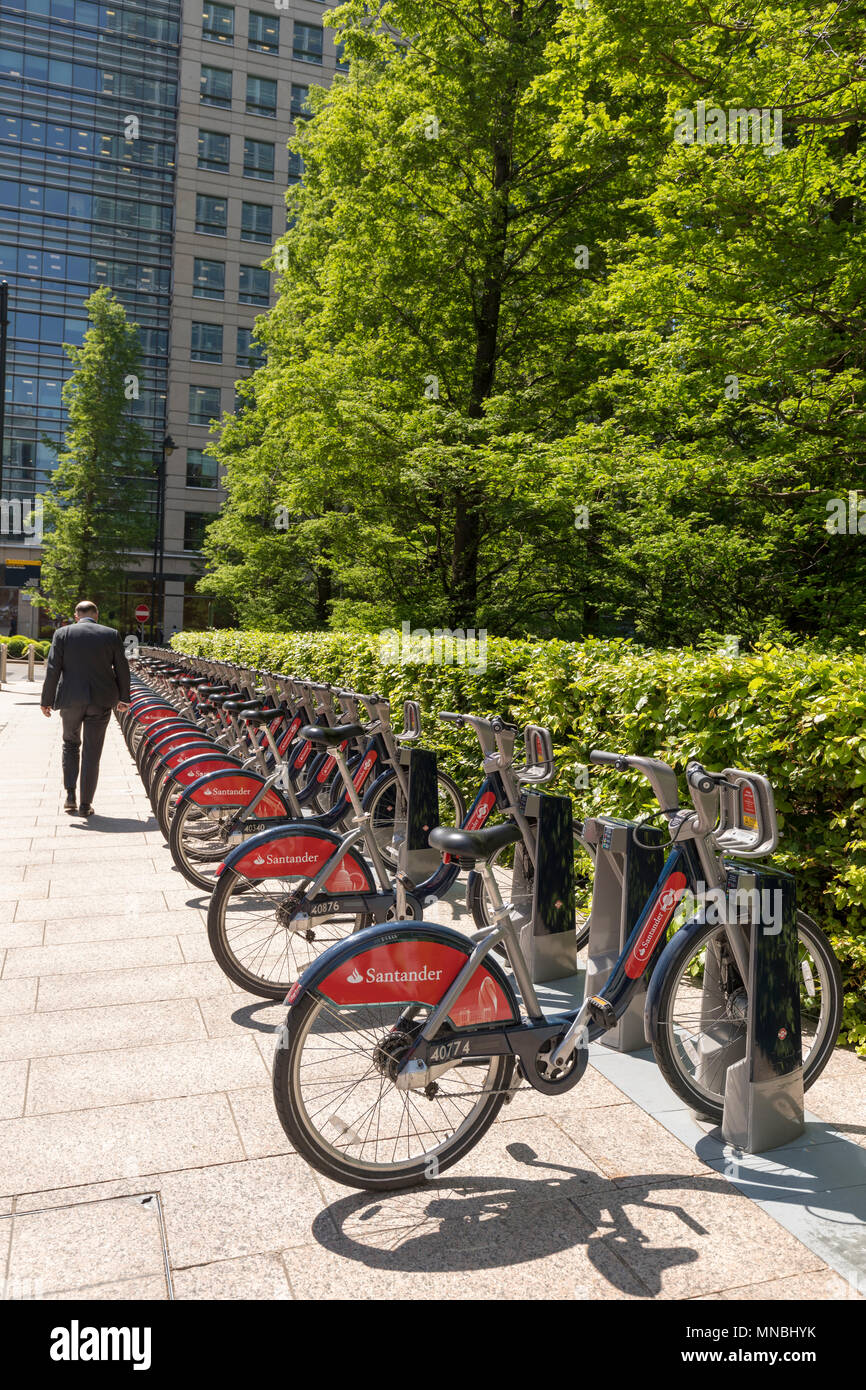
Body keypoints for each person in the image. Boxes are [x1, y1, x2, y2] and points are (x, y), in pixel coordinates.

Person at [40, 600, 131, 817]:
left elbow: (53, 669)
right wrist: (124, 698)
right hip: (101, 701)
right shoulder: (111, 634)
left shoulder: (63, 634)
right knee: (92, 753)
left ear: (76, 615)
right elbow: (122, 668)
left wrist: (46, 700)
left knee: (70, 744)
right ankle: (85, 804)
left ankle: (70, 795)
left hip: (70, 700)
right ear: (96, 615)